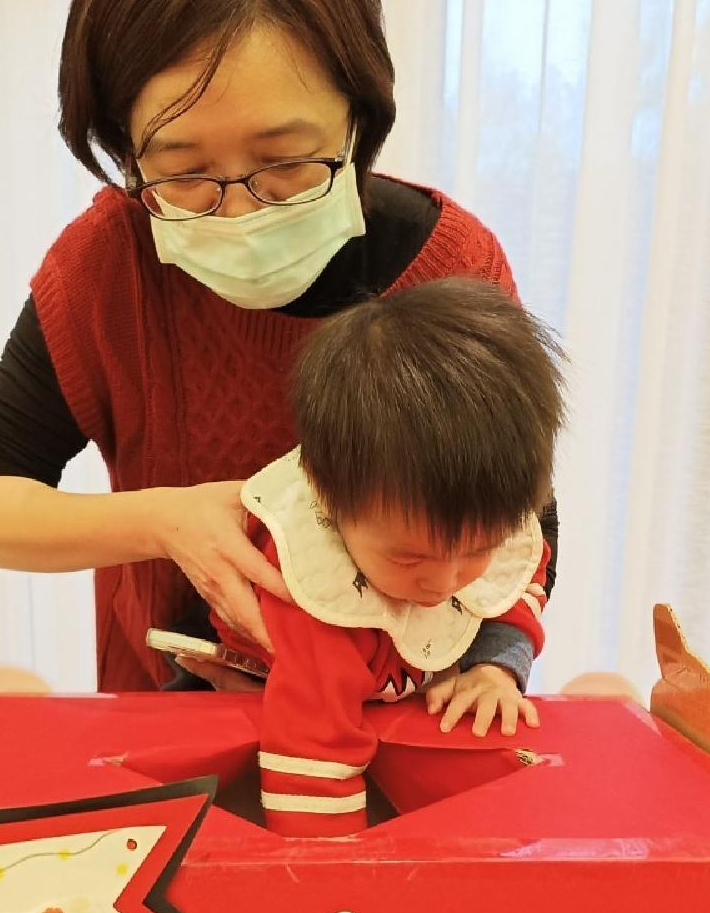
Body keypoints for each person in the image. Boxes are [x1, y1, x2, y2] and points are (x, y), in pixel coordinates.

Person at [0, 0, 559, 727]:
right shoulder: (108, 266)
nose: (238, 212)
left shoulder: (449, 266)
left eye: (285, 163)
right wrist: (166, 522)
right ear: (125, 150)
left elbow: (520, 518)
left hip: (412, 716)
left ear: (357, 120)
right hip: (177, 713)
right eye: (184, 172)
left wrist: (496, 663)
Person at [205, 278, 564, 838]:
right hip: (266, 696)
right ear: (329, 500)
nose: (444, 581)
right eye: (409, 558)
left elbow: (513, 588)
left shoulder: (494, 523)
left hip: (396, 694)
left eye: (478, 549)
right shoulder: (308, 589)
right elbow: (311, 753)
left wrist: (495, 668)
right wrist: (338, 871)